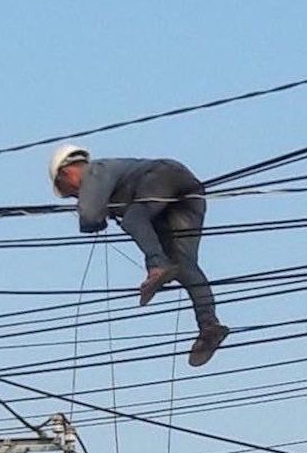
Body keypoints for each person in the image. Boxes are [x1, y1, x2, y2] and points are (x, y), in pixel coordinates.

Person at [48, 144, 229, 367]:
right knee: (183, 264)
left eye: (72, 192)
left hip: (162, 177)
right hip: (185, 193)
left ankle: (157, 267)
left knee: (133, 220)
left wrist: (95, 214)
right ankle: (209, 325)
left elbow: (90, 216)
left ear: (67, 173)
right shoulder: (109, 174)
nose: (77, 196)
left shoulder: (95, 171)